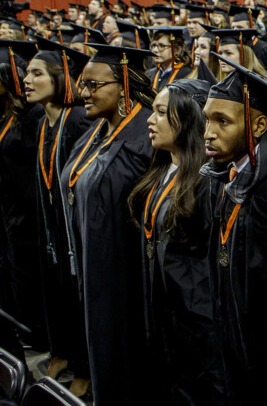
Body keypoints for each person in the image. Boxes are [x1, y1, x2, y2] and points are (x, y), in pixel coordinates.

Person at [200, 54, 267, 404]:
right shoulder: (231, 171)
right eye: (206, 120)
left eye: (222, 122)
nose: (208, 134)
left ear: (258, 126)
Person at [59, 44, 156, 404]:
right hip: (96, 268)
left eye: (93, 84)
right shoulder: (98, 130)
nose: (83, 92)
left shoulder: (145, 138)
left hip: (127, 276)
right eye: (82, 84)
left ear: (123, 86)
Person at [131, 79, 226, 404]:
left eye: (160, 112)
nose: (149, 119)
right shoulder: (162, 172)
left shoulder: (209, 183)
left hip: (197, 324)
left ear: (187, 121)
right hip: (164, 313)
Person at [23, 38, 93, 396]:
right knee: (56, 290)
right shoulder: (41, 123)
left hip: (77, 227)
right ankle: (63, 352)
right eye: (26, 73)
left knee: (78, 293)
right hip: (52, 227)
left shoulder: (78, 120)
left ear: (59, 78)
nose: (27, 79)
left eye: (37, 73)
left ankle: (85, 366)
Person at [0, 41, 47, 350]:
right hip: (9, 213)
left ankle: (38, 335)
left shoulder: (31, 117)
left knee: (30, 276)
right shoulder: (5, 115)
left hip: (29, 215)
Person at [147, 26, 193, 91]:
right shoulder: (149, 74)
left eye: (161, 46)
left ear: (177, 49)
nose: (155, 50)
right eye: (153, 45)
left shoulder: (187, 75)